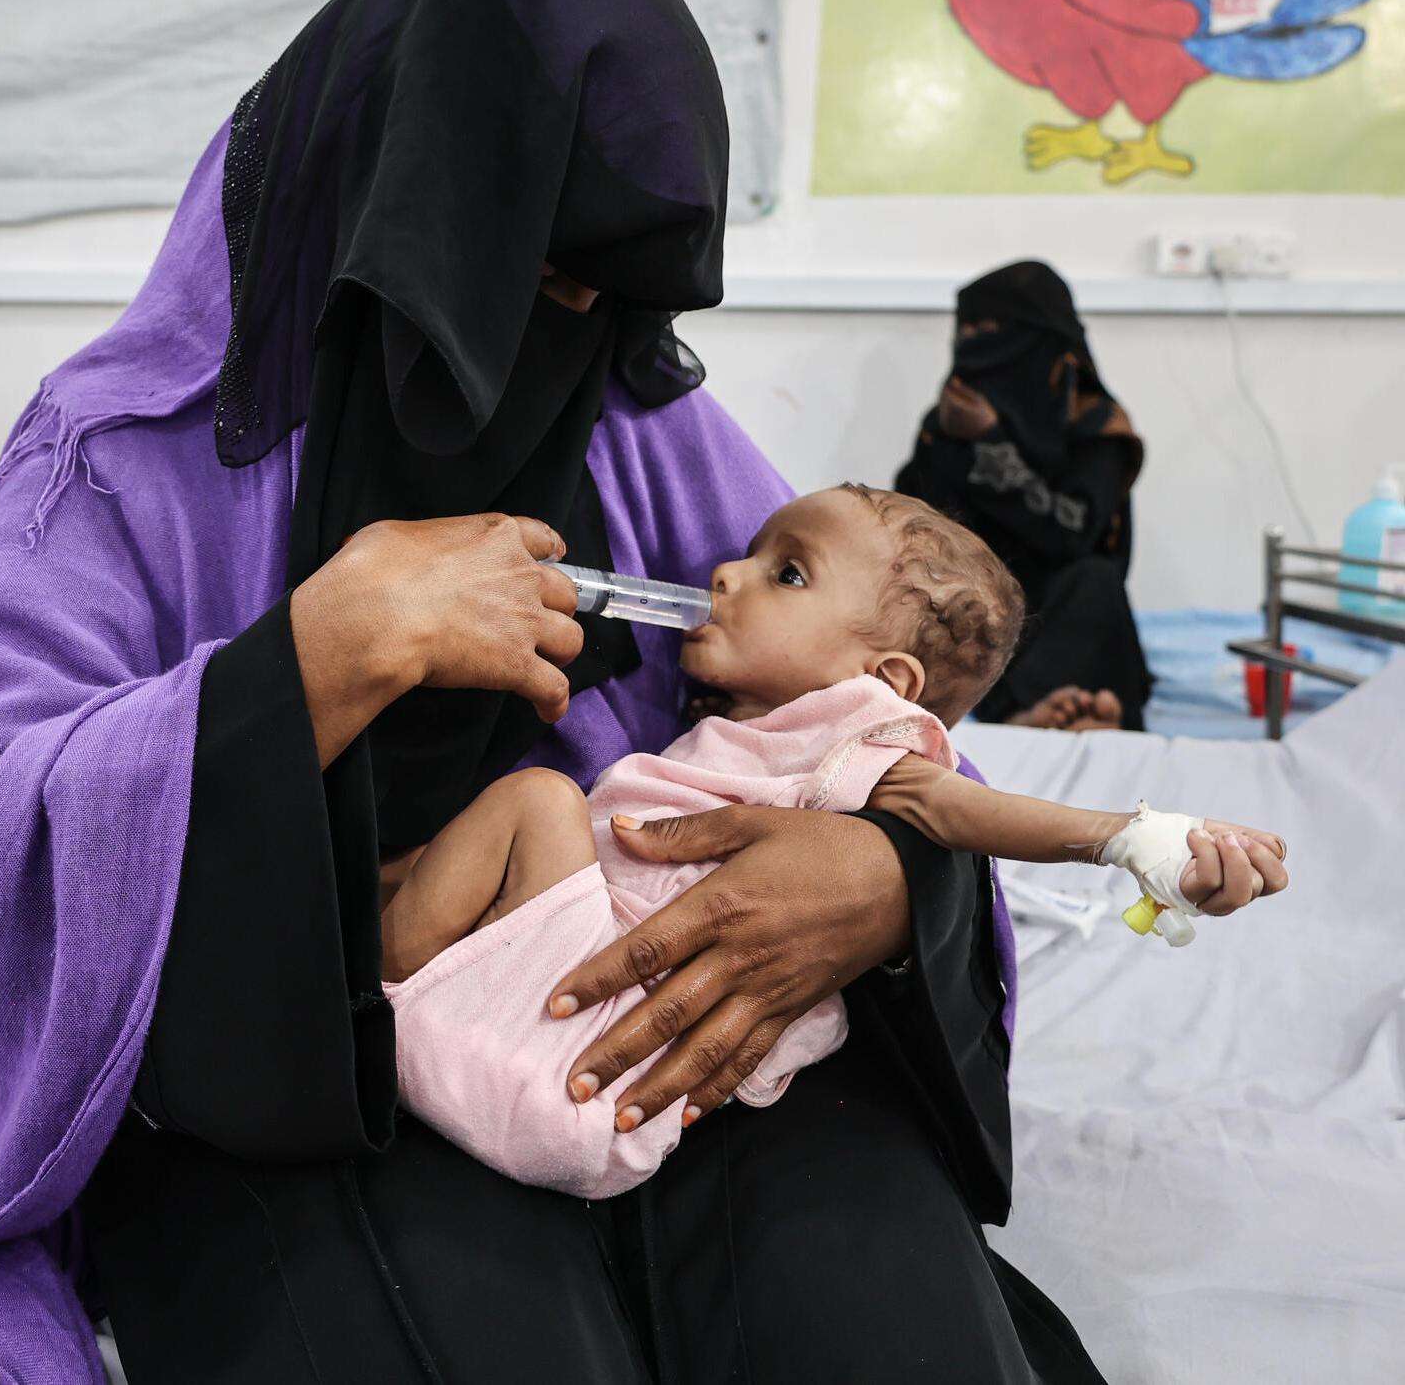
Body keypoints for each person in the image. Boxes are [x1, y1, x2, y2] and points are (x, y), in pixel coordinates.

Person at [0, 0, 1255, 1382]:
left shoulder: (648, 429)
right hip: (290, 1069)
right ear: (405, 222)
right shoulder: (123, 457)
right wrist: (313, 662)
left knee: (886, 1341)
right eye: (533, 280)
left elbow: (862, 718)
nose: (564, 345)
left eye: (605, 299)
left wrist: (884, 876)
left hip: (681, 1045)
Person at [382, 486, 1288, 1199]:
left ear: (884, 680)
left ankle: (375, 969)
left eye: (789, 574)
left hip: (604, 1043)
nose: (728, 574)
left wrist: (1131, 838)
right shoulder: (745, 733)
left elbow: (962, 811)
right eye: (752, 554)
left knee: (539, 801)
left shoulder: (859, 732)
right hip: (581, 1062)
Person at [896, 260, 1151, 730]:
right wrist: (948, 444)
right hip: (974, 615)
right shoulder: (952, 418)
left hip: (1062, 612)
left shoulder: (1096, 426)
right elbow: (915, 526)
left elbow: (1069, 534)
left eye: (990, 328)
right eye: (966, 329)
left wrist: (992, 446)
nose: (974, 342)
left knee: (1094, 582)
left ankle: (1057, 711)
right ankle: (1037, 713)